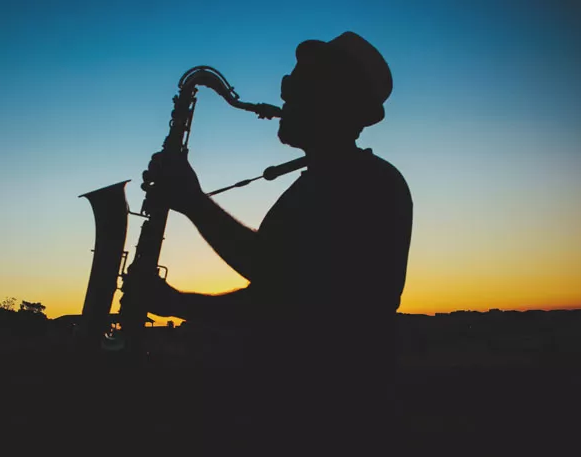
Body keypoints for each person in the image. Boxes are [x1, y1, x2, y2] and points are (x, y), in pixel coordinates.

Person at [138, 31, 413, 456]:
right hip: (307, 412)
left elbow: (284, 284)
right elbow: (276, 295)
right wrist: (175, 302)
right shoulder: (326, 182)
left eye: (297, 89)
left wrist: (192, 203)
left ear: (331, 103)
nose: (283, 99)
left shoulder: (366, 184)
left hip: (330, 420)